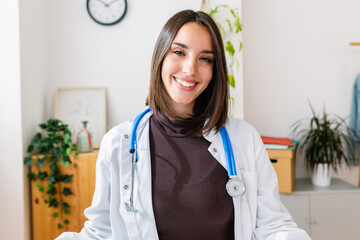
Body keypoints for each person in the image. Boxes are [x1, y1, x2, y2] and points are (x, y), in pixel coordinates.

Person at [56, 10, 311, 240]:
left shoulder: (243, 138)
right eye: (179, 52)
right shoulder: (119, 143)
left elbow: (273, 226)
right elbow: (101, 231)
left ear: (215, 70)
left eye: (205, 59)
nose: (190, 69)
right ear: (161, 58)